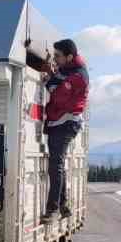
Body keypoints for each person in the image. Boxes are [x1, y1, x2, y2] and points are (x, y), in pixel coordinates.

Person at [42, 39, 89, 220]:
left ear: (69, 57)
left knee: (56, 165)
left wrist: (50, 82)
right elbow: (57, 82)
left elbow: (59, 96)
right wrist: (53, 76)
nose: (55, 59)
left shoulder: (78, 76)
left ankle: (53, 209)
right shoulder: (68, 69)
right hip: (59, 122)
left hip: (66, 123)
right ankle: (63, 206)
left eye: (58, 56)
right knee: (57, 165)